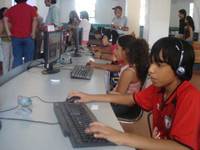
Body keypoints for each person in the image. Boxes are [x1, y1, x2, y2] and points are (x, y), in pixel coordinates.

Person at [69, 37, 200, 150]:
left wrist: (121, 136)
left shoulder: (190, 98)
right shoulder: (159, 89)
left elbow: (182, 147)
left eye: (159, 65)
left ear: (180, 70)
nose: (151, 70)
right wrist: (89, 97)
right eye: (152, 62)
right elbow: (130, 99)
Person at [72, 35, 149, 117]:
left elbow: (116, 99)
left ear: (125, 51)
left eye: (117, 48)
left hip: (122, 106)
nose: (114, 51)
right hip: (121, 101)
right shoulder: (129, 65)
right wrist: (95, 65)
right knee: (93, 96)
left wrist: (94, 95)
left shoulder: (128, 72)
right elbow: (114, 67)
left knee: (90, 109)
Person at [4, 0, 37, 68]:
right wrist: (33, 33)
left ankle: (17, 76)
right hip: (28, 37)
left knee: (17, 59)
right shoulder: (31, 8)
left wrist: (8, 33)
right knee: (28, 59)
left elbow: (5, 19)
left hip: (16, 37)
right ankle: (27, 76)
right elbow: (35, 20)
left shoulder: (11, 9)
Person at [0, 7, 13, 74]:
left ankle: (10, 73)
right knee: (6, 59)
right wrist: (8, 35)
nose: (7, 12)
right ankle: (5, 74)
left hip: (12, 41)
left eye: (8, 11)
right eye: (5, 11)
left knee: (12, 58)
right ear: (2, 13)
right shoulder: (2, 21)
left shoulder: (10, 20)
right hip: (5, 42)